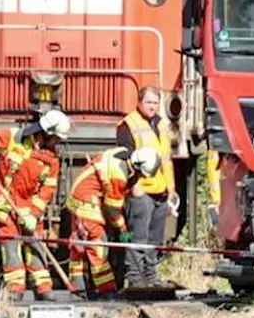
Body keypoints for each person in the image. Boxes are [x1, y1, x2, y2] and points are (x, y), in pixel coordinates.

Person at [0, 110, 72, 301]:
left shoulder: (52, 161)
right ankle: (15, 290)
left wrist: (33, 214)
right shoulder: (15, 138)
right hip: (5, 206)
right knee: (11, 246)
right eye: (56, 138)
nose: (58, 143)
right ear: (47, 133)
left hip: (29, 211)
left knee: (37, 247)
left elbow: (47, 191)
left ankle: (44, 289)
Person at [64, 146, 161, 299]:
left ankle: (79, 289)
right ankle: (106, 291)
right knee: (98, 247)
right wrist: (122, 228)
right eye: (142, 174)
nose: (141, 177)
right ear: (138, 166)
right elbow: (112, 209)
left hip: (79, 199)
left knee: (80, 249)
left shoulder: (122, 154)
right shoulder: (119, 174)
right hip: (87, 203)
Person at [115, 86, 176, 288]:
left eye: (156, 103)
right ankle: (135, 278)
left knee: (154, 239)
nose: (153, 106)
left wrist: (171, 188)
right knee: (138, 238)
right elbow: (125, 159)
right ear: (139, 102)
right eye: (149, 102)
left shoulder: (161, 124)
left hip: (161, 190)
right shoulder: (128, 125)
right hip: (142, 190)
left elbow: (166, 159)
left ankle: (151, 278)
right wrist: (135, 186)